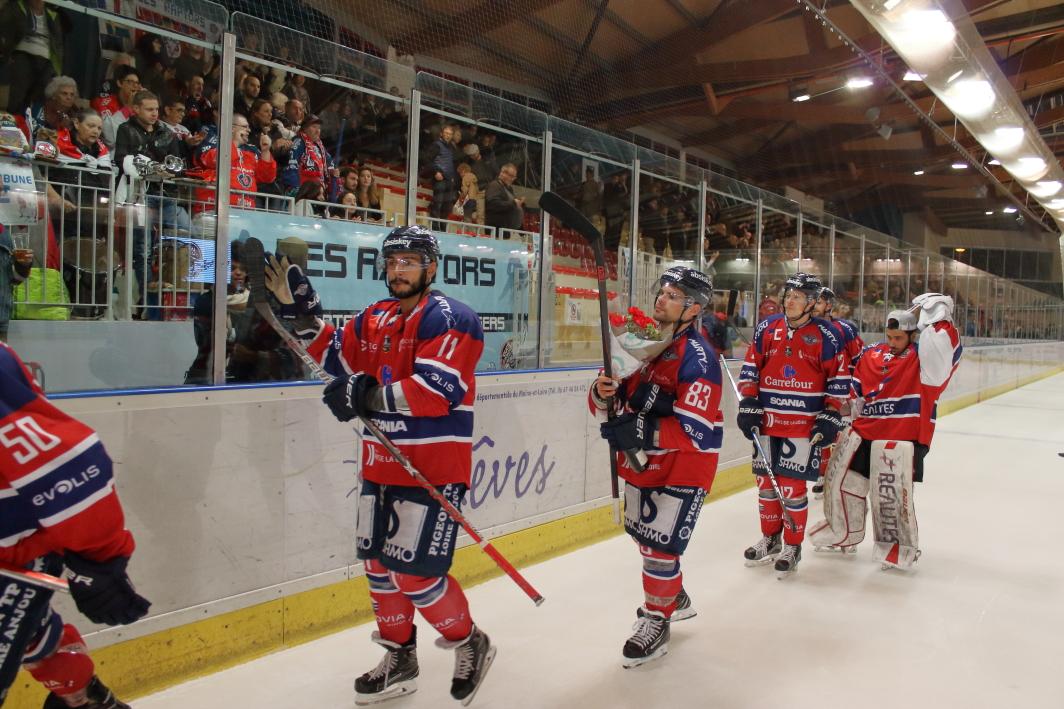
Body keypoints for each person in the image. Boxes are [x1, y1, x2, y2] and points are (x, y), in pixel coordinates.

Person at [263, 225, 496, 705]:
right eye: (391, 262)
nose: (397, 270)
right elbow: (335, 356)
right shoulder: (376, 315)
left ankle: (470, 641)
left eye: (408, 261)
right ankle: (400, 658)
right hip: (380, 465)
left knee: (416, 575)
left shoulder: (453, 318)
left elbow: (435, 391)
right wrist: (302, 316)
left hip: (431, 469)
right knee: (378, 569)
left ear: (431, 267)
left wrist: (365, 395)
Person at [0, 341, 151, 708]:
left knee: (37, 640)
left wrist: (100, 560)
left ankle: (81, 695)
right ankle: (82, 696)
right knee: (41, 642)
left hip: (12, 559)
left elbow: (64, 465)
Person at [590, 266, 723, 668]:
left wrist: (640, 430)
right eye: (661, 292)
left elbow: (695, 429)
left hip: (684, 465)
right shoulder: (641, 341)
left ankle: (657, 620)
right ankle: (673, 594)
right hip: (643, 461)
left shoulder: (699, 358)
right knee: (643, 535)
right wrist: (602, 393)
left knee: (659, 549)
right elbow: (610, 401)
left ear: (693, 308)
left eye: (672, 295)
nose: (661, 299)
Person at [808, 295, 962, 570]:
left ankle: (897, 548)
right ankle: (844, 533)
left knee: (888, 496)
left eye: (899, 338)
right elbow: (855, 392)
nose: (892, 342)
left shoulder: (924, 360)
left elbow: (946, 349)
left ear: (913, 334)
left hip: (901, 438)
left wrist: (939, 316)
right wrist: (839, 411)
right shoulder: (872, 354)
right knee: (843, 485)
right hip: (863, 434)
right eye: (889, 336)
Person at [736, 272, 850, 577]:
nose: (789, 301)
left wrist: (831, 413)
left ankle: (793, 545)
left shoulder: (827, 335)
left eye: (797, 297)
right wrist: (749, 401)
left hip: (802, 425)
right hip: (768, 421)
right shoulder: (767, 328)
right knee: (765, 485)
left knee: (791, 488)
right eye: (788, 295)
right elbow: (751, 367)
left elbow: (839, 379)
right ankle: (770, 538)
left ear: (812, 302)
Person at [809, 286, 865, 496]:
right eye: (813, 301)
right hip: (816, 390)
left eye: (819, 302)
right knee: (821, 431)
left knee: (841, 434)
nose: (814, 306)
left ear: (829, 305)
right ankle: (823, 474)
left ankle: (842, 474)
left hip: (842, 391)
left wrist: (856, 389)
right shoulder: (806, 328)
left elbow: (859, 359)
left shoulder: (845, 329)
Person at [193, 113, 276, 212]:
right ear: (231, 128)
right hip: (213, 209)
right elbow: (215, 161)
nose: (249, 130)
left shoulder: (251, 151)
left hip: (245, 211)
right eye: (245, 127)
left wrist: (265, 151)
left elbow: (267, 177)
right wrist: (234, 142)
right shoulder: (212, 142)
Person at [283, 114, 336, 195]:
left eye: (319, 128)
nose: (317, 131)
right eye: (314, 127)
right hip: (303, 191)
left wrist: (333, 172)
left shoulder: (320, 147)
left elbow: (329, 163)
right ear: (304, 128)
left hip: (319, 191)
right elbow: (292, 165)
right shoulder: (299, 142)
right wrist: (295, 188)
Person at [483, 163, 523, 234]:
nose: (513, 179)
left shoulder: (508, 188)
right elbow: (492, 204)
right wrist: (513, 203)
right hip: (497, 232)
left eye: (514, 177)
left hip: (505, 231)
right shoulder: (494, 186)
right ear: (503, 173)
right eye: (511, 176)